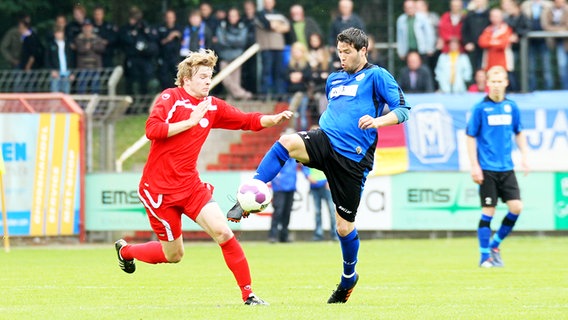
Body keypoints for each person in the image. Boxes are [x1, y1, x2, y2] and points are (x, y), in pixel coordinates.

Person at [226, 27, 410, 303]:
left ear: (363, 50)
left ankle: (349, 277)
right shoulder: (333, 80)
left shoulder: (377, 76)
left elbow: (403, 110)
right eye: (339, 53)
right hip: (324, 141)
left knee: (344, 228)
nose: (342, 58)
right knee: (287, 142)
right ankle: (251, 190)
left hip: (352, 159)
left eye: (348, 52)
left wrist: (377, 121)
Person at [113, 48, 292, 305]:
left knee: (223, 232)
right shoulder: (170, 97)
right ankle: (127, 251)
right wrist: (190, 121)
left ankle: (248, 295)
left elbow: (245, 120)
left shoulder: (212, 106)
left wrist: (271, 119)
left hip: (190, 186)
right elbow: (152, 129)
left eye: (210, 76)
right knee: (174, 255)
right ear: (187, 79)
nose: (208, 81)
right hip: (158, 191)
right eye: (202, 76)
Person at [465, 65, 529, 268]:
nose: (496, 85)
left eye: (500, 81)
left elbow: (518, 132)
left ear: (506, 83)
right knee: (488, 211)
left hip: (507, 168)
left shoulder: (512, 107)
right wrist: (474, 166)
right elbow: (470, 136)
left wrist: (525, 156)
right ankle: (484, 257)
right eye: (492, 81)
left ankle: (495, 245)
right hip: (487, 169)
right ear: (487, 84)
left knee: (516, 207)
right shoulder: (480, 108)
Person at [301, 143, 338, 241]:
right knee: (317, 211)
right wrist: (308, 176)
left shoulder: (326, 152)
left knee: (331, 210)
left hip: (326, 186)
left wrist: (330, 181)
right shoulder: (307, 153)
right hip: (315, 186)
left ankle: (334, 233)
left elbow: (333, 167)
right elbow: (304, 168)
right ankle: (318, 234)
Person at [216, 7, 253, 100]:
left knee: (235, 81)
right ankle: (242, 94)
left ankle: (231, 102)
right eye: (230, 16)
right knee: (225, 79)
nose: (232, 18)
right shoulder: (222, 26)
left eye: (234, 16)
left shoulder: (242, 26)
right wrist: (234, 41)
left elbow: (242, 41)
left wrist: (227, 39)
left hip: (237, 58)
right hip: (224, 57)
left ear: (238, 17)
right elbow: (221, 41)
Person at [268, 153, 298, 243]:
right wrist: (277, 183)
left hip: (291, 188)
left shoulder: (293, 158)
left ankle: (284, 236)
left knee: (287, 213)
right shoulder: (278, 156)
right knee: (278, 212)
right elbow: (271, 171)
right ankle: (272, 236)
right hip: (279, 189)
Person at [541, 0, 568, 90]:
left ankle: (565, 89)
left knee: (562, 65)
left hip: (564, 42)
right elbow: (545, 25)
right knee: (547, 66)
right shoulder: (547, 10)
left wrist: (555, 29)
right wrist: (559, 30)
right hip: (550, 41)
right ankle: (549, 88)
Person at [462, 0, 491, 70]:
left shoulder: (489, 14)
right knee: (473, 68)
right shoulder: (469, 15)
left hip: (486, 47)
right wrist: (467, 42)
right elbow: (465, 30)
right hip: (473, 46)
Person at [45, 27, 74, 94]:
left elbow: (72, 59)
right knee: (55, 93)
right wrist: (51, 70)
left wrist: (72, 72)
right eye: (57, 33)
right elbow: (47, 59)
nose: (58, 35)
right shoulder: (50, 45)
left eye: (60, 33)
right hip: (56, 73)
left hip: (67, 73)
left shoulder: (68, 45)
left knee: (66, 93)